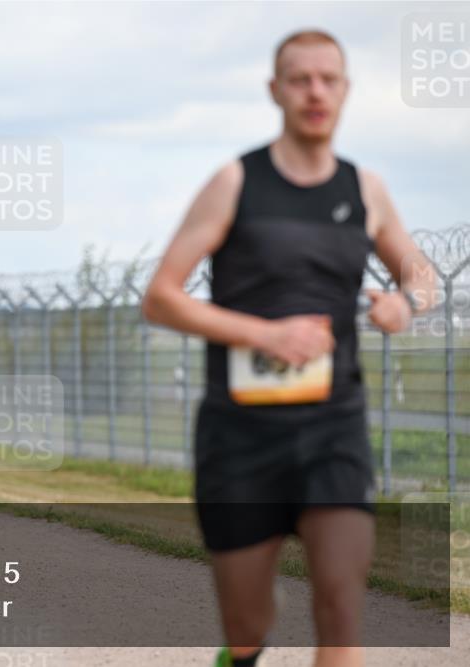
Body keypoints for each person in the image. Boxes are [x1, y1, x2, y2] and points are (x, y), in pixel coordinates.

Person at [141, 30, 437, 667]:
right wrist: (265, 334)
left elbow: (421, 274)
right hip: (241, 437)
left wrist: (404, 303)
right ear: (276, 90)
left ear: (347, 90)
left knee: (340, 604)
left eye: (329, 79)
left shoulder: (366, 189)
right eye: (300, 78)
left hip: (334, 428)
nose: (315, 91)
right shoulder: (235, 182)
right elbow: (161, 296)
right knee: (249, 626)